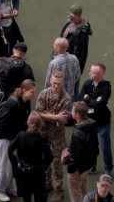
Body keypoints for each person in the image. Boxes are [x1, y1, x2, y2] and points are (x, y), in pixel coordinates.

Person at [0, 80, 38, 201]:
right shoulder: (13, 104)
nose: (34, 94)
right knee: (5, 165)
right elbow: (2, 125)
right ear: (24, 91)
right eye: (32, 92)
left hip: (14, 139)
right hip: (8, 139)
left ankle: (8, 189)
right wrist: (16, 136)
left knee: (11, 165)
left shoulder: (24, 102)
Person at [35, 71, 72, 202]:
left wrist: (48, 115)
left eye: (59, 84)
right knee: (44, 160)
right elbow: (38, 114)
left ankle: (59, 190)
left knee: (57, 163)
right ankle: (47, 185)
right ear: (50, 80)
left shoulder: (66, 98)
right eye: (54, 83)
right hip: (43, 133)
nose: (56, 86)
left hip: (57, 135)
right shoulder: (43, 94)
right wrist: (54, 116)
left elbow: (62, 119)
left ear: (62, 83)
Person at [9, 112, 55, 202]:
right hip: (37, 175)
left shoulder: (21, 135)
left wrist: (16, 165)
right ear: (40, 125)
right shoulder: (42, 140)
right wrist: (41, 168)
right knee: (40, 198)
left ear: (28, 122)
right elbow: (50, 156)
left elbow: (10, 149)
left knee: (25, 198)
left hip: (23, 173)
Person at [79, 64, 112, 177]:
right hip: (90, 122)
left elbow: (98, 105)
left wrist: (87, 98)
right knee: (91, 146)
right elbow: (80, 98)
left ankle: (108, 169)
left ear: (100, 75)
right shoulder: (88, 83)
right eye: (90, 71)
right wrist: (93, 101)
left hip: (103, 123)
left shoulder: (106, 88)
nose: (89, 74)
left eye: (92, 73)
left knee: (105, 147)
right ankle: (92, 166)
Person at [64, 102, 98, 202]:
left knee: (75, 196)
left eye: (73, 110)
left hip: (78, 169)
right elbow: (96, 148)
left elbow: (79, 155)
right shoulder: (91, 124)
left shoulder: (78, 133)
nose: (71, 112)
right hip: (88, 166)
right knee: (84, 188)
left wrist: (74, 169)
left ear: (78, 115)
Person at [0, 42, 36, 106]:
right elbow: (31, 85)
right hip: (18, 102)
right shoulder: (27, 68)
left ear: (13, 50)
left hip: (1, 100)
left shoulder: (0, 63)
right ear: (24, 54)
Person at [58, 5, 92, 72]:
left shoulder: (81, 36)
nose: (70, 17)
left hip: (67, 67)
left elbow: (78, 57)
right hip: (60, 57)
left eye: (72, 15)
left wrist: (71, 71)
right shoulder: (69, 22)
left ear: (79, 16)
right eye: (69, 14)